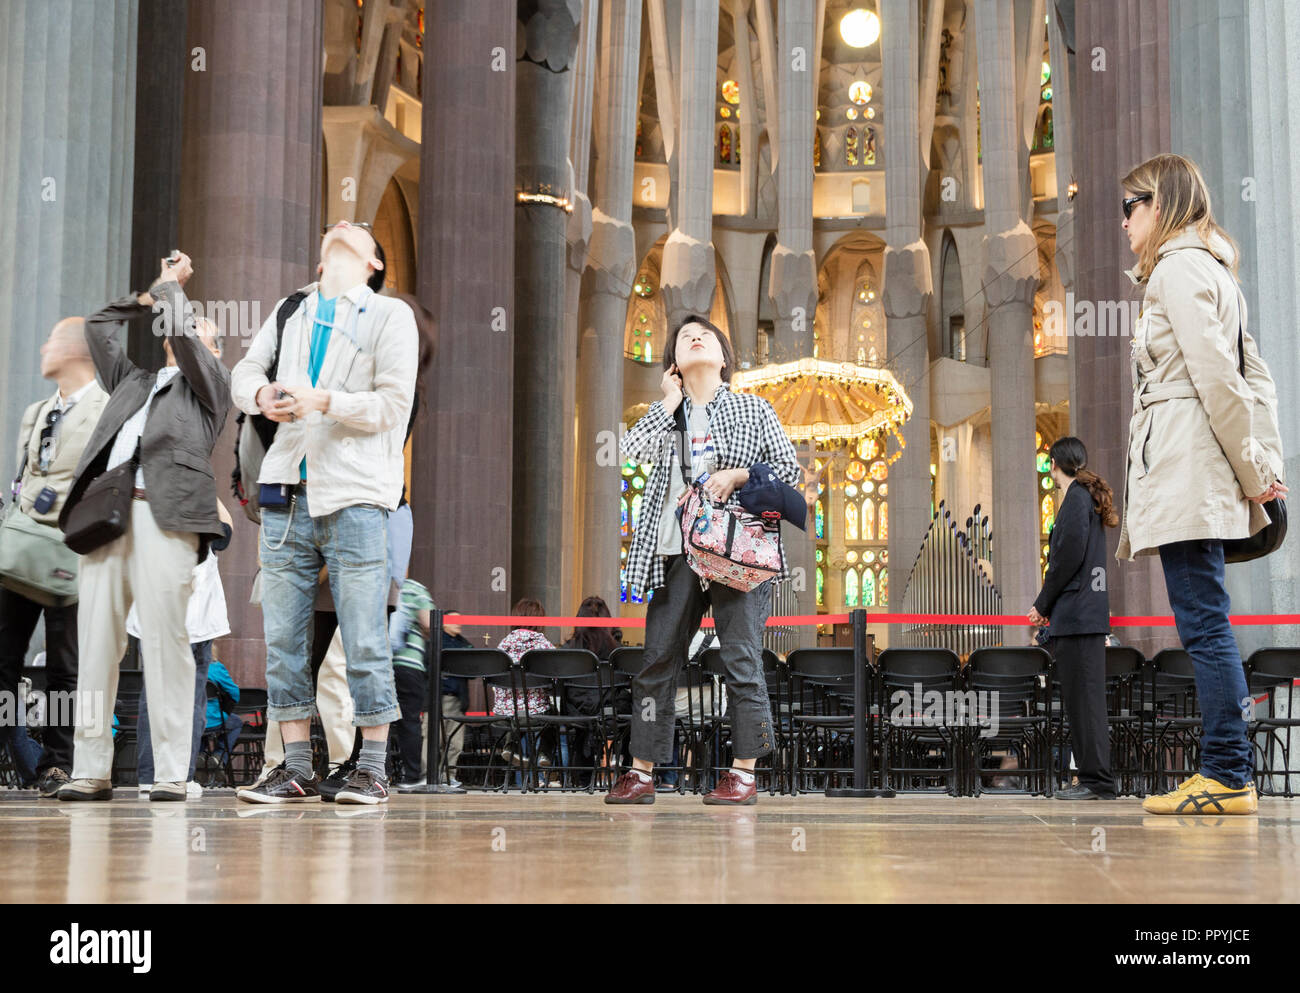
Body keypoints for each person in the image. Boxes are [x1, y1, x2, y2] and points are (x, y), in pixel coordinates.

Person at [1116, 153, 1287, 816]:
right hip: (1197, 469)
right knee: (1207, 620)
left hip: (1191, 472)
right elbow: (1256, 376)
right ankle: (1226, 768)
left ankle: (1226, 772)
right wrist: (1260, 465)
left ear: (1159, 204)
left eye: (1130, 206)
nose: (1124, 221)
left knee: (1205, 625)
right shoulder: (1210, 269)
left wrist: (1255, 475)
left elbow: (1219, 378)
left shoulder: (1180, 269)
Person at [231, 221, 416, 805]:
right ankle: (294, 767)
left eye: (356, 233)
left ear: (373, 264)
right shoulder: (293, 310)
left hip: (356, 494)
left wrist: (324, 401)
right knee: (284, 640)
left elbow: (393, 404)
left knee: (363, 635)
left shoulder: (390, 316)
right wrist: (261, 397)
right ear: (320, 262)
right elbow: (244, 371)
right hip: (287, 490)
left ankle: (375, 767)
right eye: (334, 231)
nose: (343, 228)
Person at [57, 253, 231, 802]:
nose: (187, 322)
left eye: (202, 325)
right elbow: (98, 328)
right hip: (107, 517)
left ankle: (172, 773)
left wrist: (172, 288)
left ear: (215, 349)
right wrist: (146, 298)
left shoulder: (210, 387)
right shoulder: (133, 382)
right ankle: (91, 769)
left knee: (166, 642)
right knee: (96, 644)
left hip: (168, 515)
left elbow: (185, 337)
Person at [607, 315, 801, 805]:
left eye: (706, 335)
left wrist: (738, 475)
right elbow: (629, 451)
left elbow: (789, 472)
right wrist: (668, 402)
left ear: (723, 357)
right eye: (685, 337)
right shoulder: (665, 412)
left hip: (736, 555)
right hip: (676, 551)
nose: (696, 337)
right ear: (675, 362)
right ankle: (642, 772)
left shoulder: (752, 409)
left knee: (741, 659)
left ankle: (743, 773)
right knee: (656, 663)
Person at [0, 317, 108, 797]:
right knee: (4, 660)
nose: (44, 346)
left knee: (67, 666)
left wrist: (49, 502)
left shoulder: (106, 411)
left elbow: (102, 484)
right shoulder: (37, 411)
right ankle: (16, 752)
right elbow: (26, 477)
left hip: (74, 550)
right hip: (21, 549)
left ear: (77, 350)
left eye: (52, 339)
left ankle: (57, 764)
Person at [1028, 437, 1118, 801]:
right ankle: (1094, 780)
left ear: (1054, 464)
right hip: (1083, 616)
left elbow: (1065, 559)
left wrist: (1042, 604)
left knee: (1085, 704)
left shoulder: (1075, 500)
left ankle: (1097, 782)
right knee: (1084, 702)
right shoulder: (1084, 497)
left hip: (1078, 616)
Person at [132, 499, 234, 798]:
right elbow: (227, 529)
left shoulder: (149, 510)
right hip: (194, 623)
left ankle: (149, 776)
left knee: (152, 697)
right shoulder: (201, 515)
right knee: (191, 702)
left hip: (153, 617)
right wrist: (207, 491)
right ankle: (180, 775)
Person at [559, 596, 627, 777]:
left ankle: (576, 777)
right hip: (610, 713)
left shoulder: (567, 652)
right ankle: (623, 762)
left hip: (575, 714)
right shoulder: (619, 653)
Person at [494, 598, 557, 773]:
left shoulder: (503, 645)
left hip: (503, 713)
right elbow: (556, 679)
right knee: (553, 715)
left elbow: (494, 682)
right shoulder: (544, 645)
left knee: (517, 712)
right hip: (535, 714)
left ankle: (511, 745)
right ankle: (544, 753)